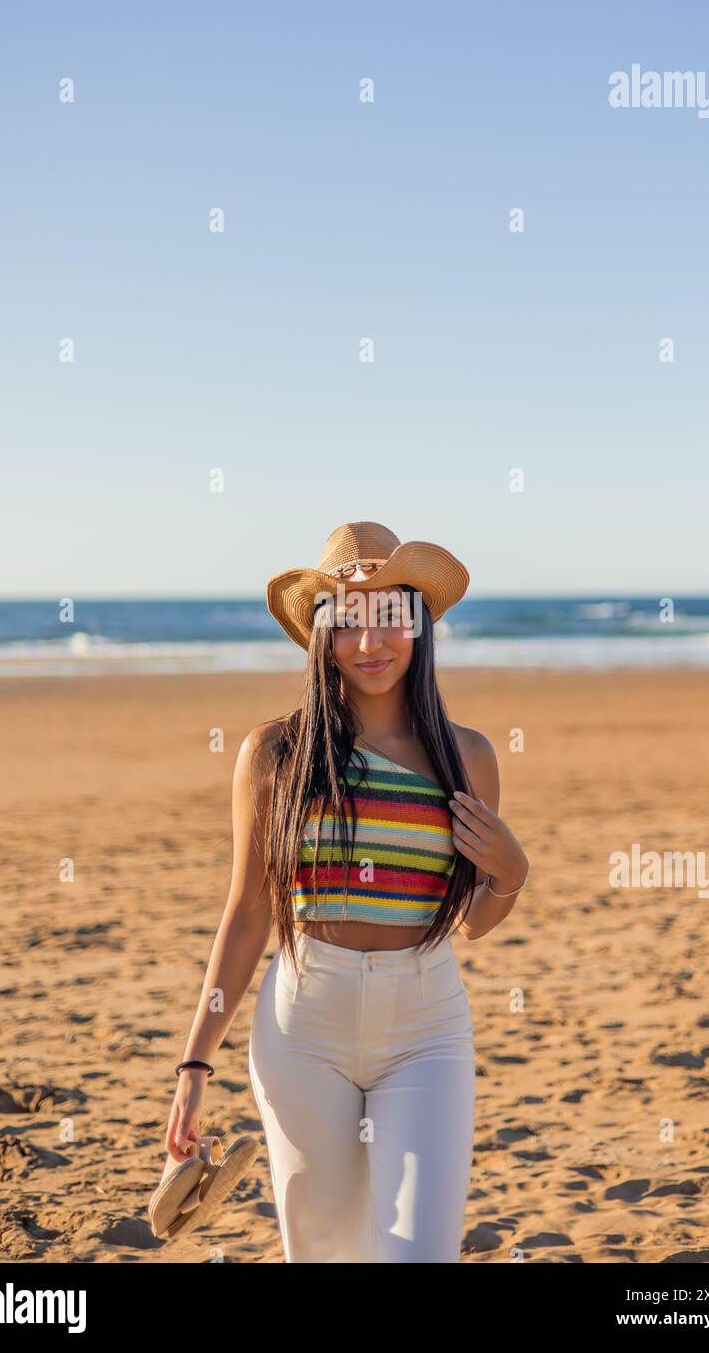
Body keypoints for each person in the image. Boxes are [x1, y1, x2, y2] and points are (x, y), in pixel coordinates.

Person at [166, 521, 529, 1262]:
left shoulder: (467, 756)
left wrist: (511, 876)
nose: (371, 643)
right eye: (348, 621)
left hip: (427, 1029)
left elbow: (475, 922)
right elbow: (246, 912)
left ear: (420, 627)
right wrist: (195, 1066)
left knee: (420, 1254)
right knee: (328, 1254)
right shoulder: (276, 752)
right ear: (321, 635)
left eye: (391, 617)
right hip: (304, 1029)